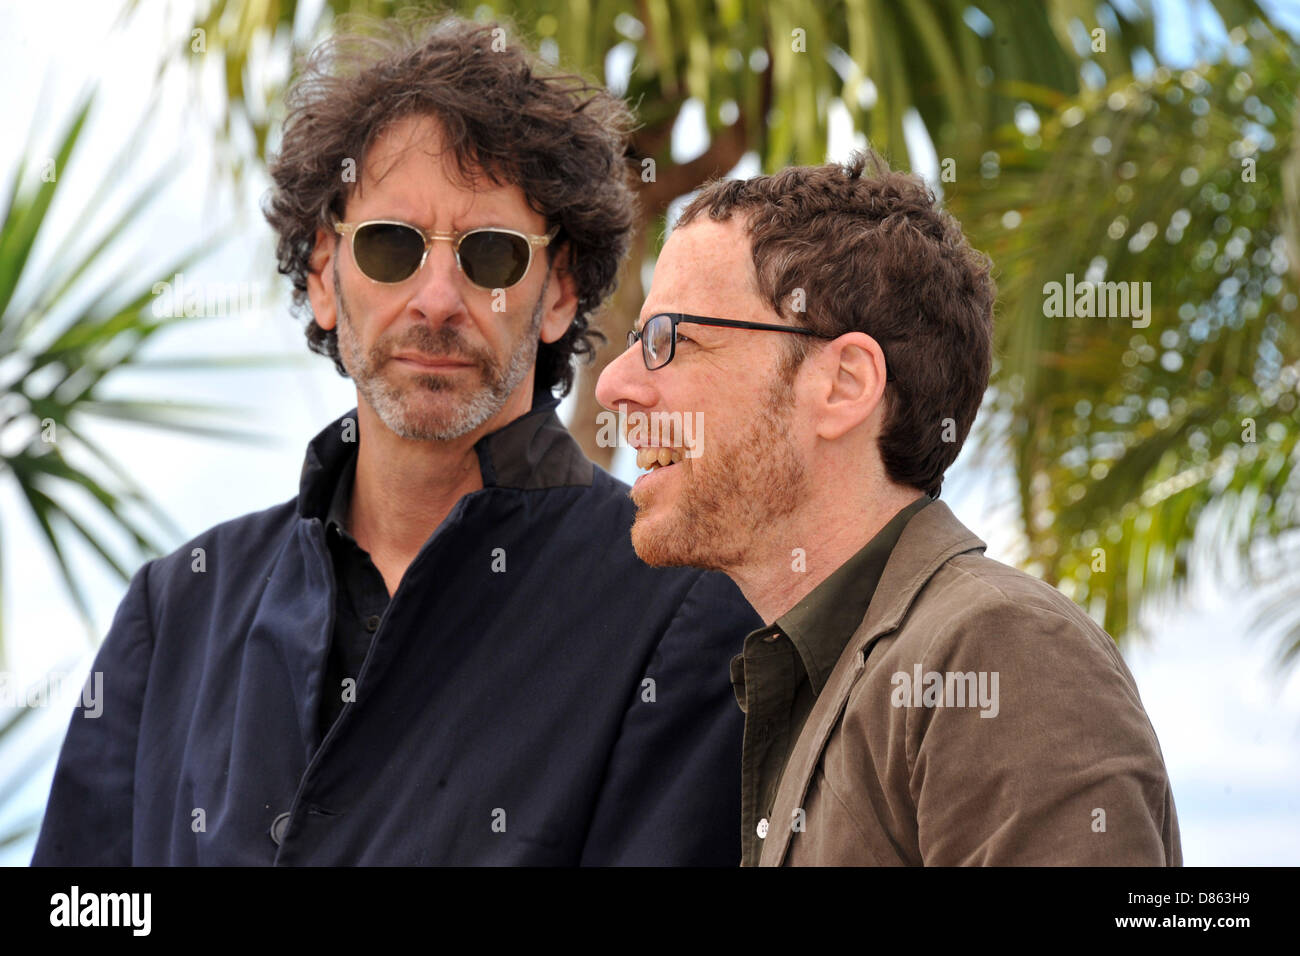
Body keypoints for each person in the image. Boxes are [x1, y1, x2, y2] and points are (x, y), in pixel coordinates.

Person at [32, 15, 758, 866]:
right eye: (390, 247)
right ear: (323, 277)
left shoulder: (688, 611)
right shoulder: (175, 615)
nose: (438, 299)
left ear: (559, 292)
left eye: (490, 256)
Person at [595, 150, 1182, 866]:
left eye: (670, 340)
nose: (615, 384)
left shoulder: (997, 650)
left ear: (843, 384)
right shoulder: (823, 679)